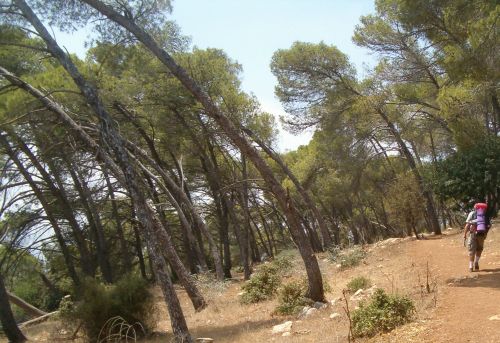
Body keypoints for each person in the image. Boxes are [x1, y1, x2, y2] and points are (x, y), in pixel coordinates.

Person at [463, 202, 491, 272]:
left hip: (473, 234)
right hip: (482, 234)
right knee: (479, 249)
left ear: (475, 208)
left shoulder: (472, 213)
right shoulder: (485, 215)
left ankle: (470, 267)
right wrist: (485, 234)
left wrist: (465, 235)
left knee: (472, 251)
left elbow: (467, 225)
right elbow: (489, 226)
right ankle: (476, 262)